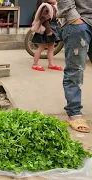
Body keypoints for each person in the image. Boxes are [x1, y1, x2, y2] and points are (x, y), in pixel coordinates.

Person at [57, 0, 92, 133]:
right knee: (75, 70)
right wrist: (74, 18)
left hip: (81, 23)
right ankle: (74, 113)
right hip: (79, 23)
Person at [31, 0, 63, 71]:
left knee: (51, 46)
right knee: (41, 47)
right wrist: (48, 30)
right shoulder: (46, 6)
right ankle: (35, 64)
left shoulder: (53, 6)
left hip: (52, 28)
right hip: (47, 29)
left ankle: (51, 64)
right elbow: (44, 19)